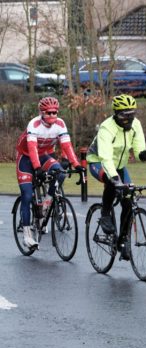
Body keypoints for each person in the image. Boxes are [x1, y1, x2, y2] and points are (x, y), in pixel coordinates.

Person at [86, 94, 146, 260]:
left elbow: (139, 147)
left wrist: (143, 155)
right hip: (98, 161)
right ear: (116, 113)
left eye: (131, 113)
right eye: (124, 114)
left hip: (119, 165)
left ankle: (123, 240)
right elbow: (105, 157)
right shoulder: (107, 128)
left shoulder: (136, 124)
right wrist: (115, 178)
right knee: (112, 183)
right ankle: (105, 213)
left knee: (128, 198)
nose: (128, 118)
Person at [15, 97, 85, 248]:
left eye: (55, 112)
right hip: (26, 158)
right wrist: (37, 168)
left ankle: (46, 203)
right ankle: (27, 235)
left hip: (44, 154)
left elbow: (66, 145)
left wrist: (76, 164)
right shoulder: (34, 124)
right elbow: (32, 148)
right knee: (27, 195)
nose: (53, 115)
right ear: (42, 112)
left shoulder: (60, 124)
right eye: (49, 113)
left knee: (60, 172)